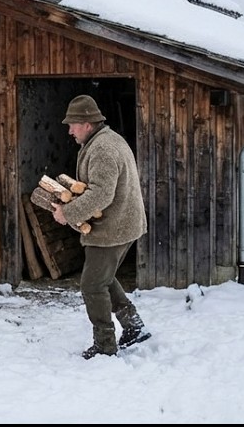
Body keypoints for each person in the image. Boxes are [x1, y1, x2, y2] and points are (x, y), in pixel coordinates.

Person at [51, 94, 151, 359]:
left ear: (87, 123)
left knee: (93, 285)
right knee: (103, 277)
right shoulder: (104, 140)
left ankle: (105, 345)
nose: (69, 130)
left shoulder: (104, 148)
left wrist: (68, 213)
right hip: (122, 223)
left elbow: (101, 194)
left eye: (72, 124)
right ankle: (133, 325)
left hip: (113, 227)